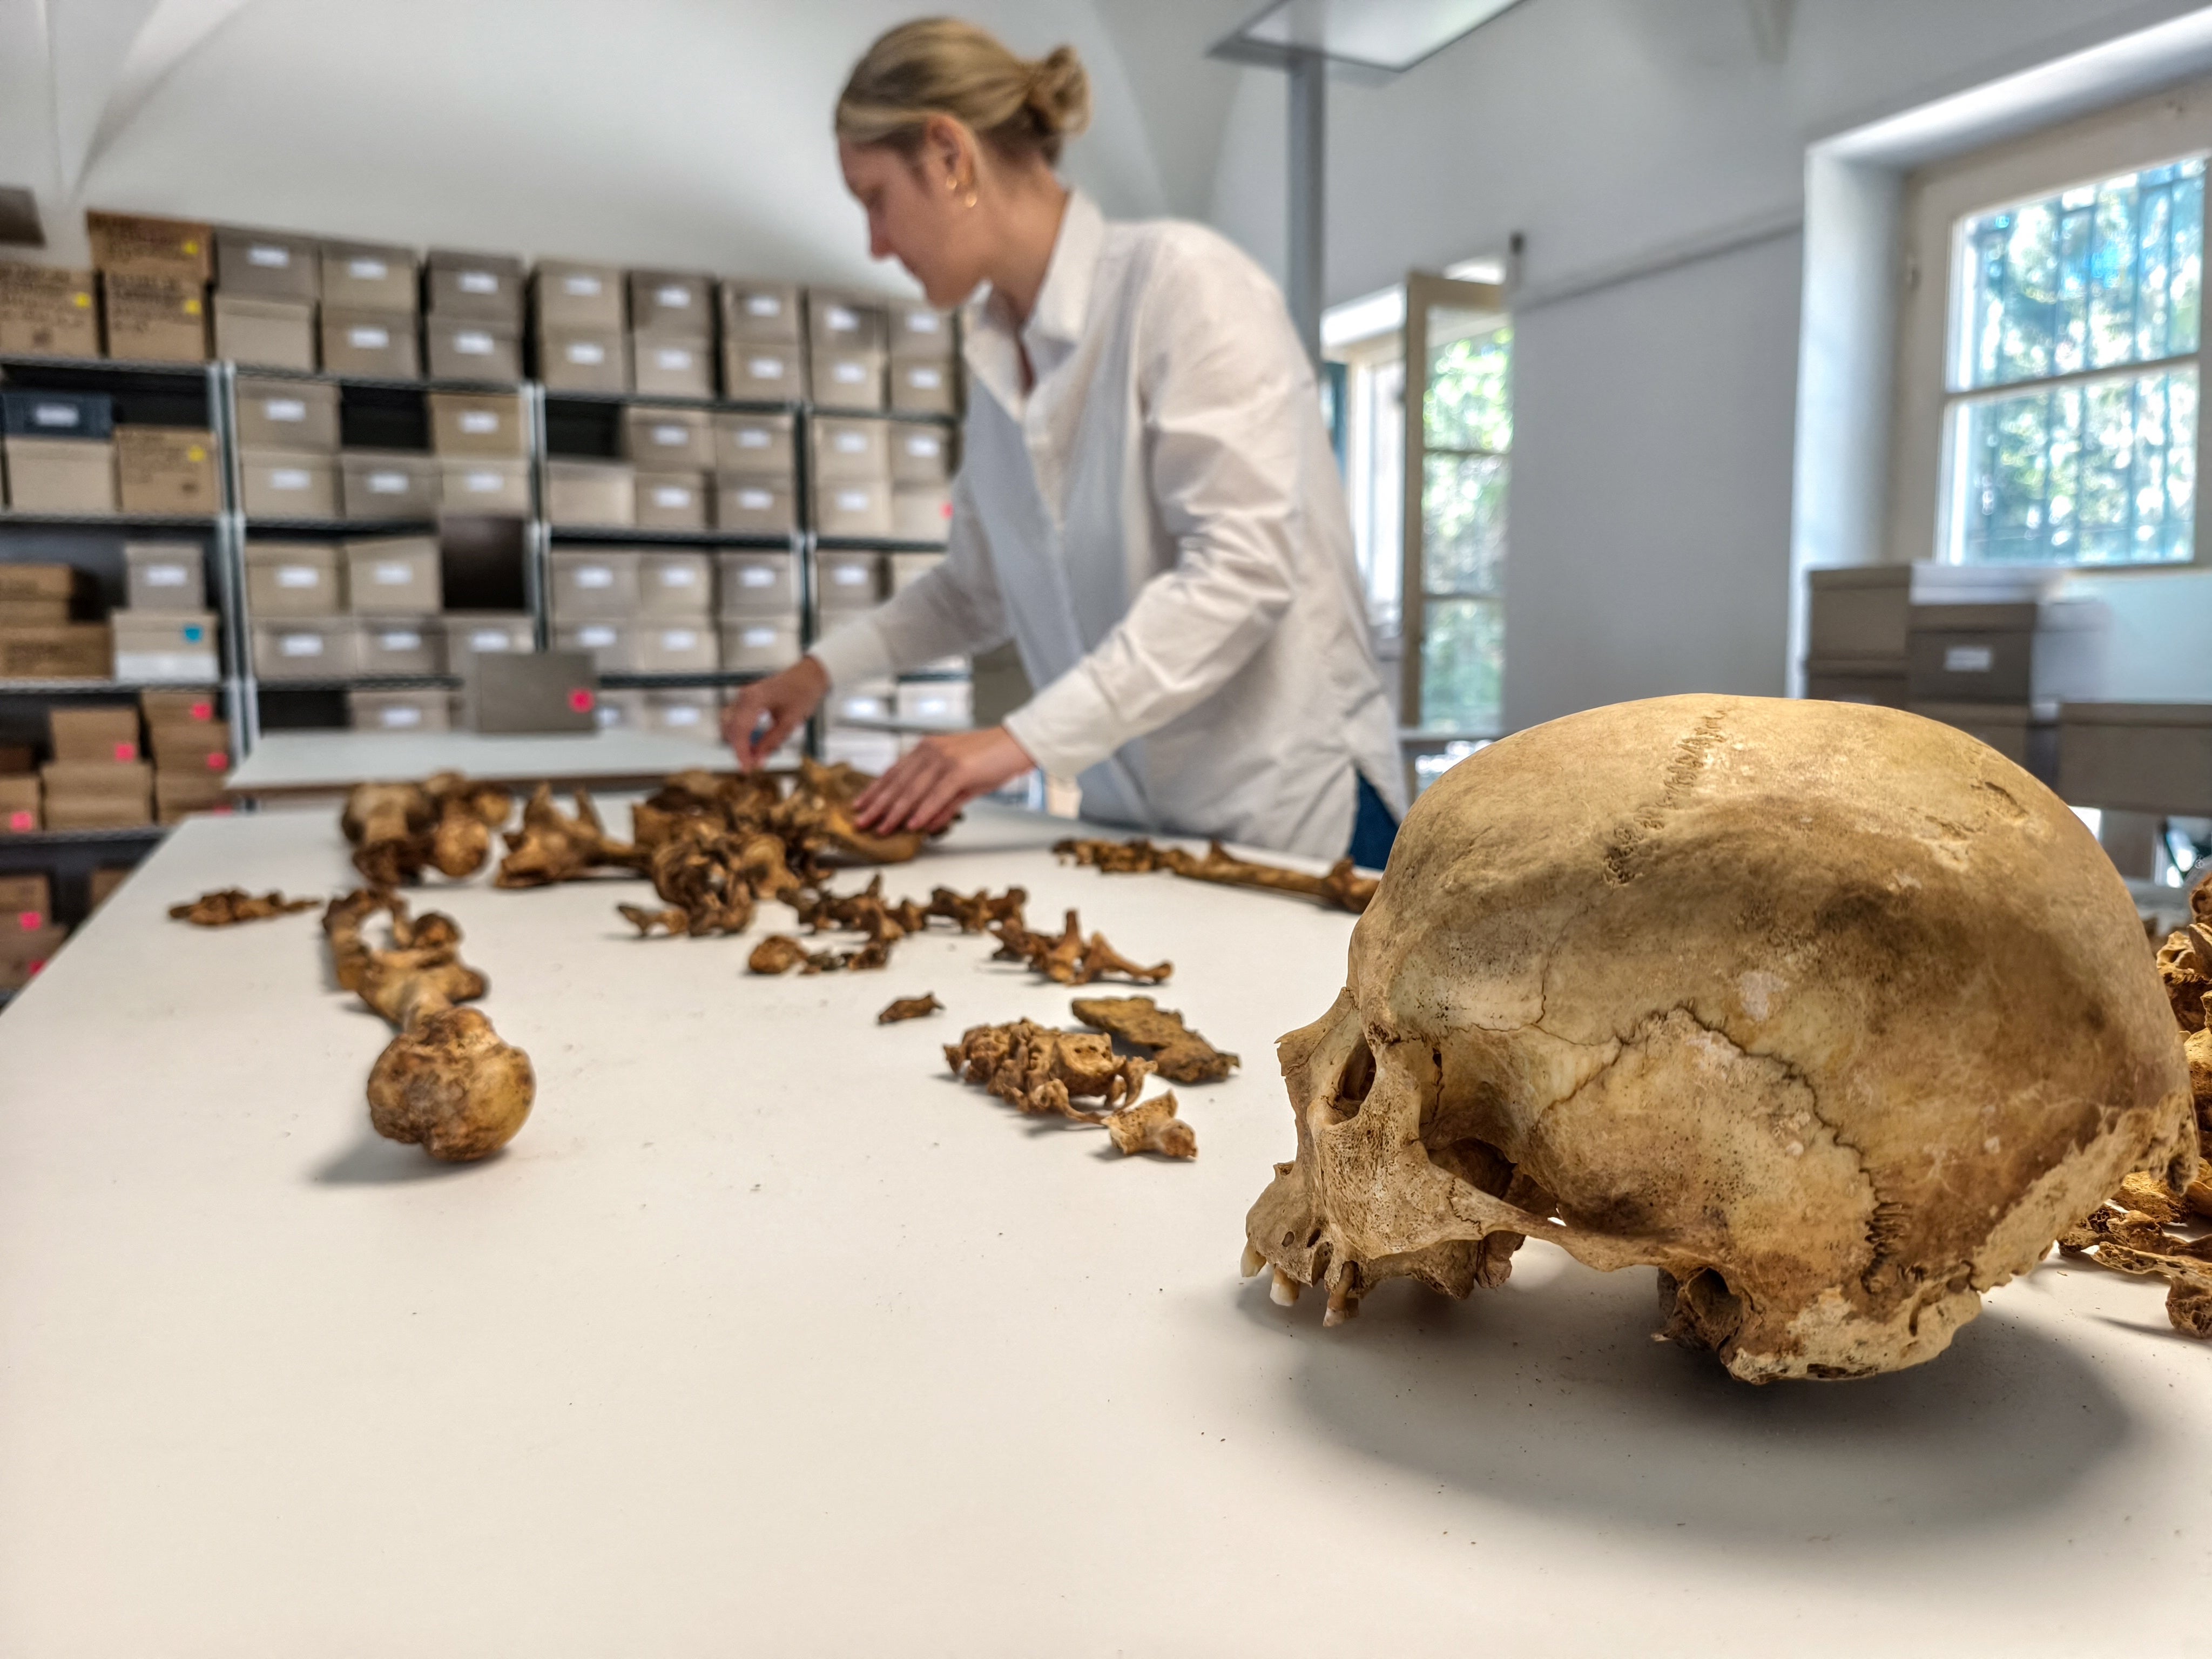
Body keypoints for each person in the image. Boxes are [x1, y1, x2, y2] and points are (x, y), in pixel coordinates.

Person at [721, 17, 1406, 866]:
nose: (877, 244)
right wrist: (817, 673)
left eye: (876, 199)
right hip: (1144, 828)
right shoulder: (996, 360)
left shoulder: (1182, 283)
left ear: (948, 155)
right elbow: (976, 591)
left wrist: (1016, 741)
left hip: (1299, 815)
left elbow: (1242, 569)